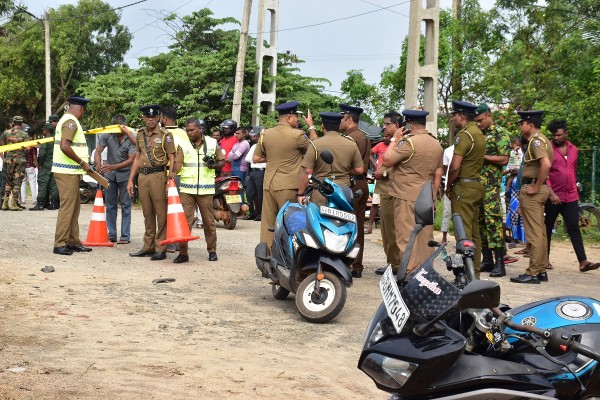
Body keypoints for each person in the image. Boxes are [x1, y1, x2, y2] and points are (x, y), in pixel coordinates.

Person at [382, 109, 443, 274]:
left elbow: (386, 160)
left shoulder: (408, 142)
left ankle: (410, 274)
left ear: (408, 124)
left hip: (406, 196)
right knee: (425, 239)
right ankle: (427, 273)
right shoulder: (435, 143)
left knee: (407, 238)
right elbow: (438, 173)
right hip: (426, 195)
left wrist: (395, 139)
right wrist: (433, 197)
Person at [253, 101, 310, 248]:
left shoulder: (265, 133)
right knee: (291, 222)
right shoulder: (298, 135)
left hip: (269, 184)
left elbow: (256, 158)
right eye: (296, 117)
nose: (297, 120)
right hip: (288, 185)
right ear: (289, 118)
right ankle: (289, 258)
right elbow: (315, 151)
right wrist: (311, 126)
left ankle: (267, 256)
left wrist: (273, 157)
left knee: (268, 223)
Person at [545, 119, 599, 273]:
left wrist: (574, 190)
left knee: (574, 227)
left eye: (559, 135)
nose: (556, 138)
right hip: (553, 196)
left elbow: (573, 171)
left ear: (566, 134)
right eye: (554, 135)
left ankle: (583, 262)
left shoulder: (574, 149)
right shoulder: (548, 149)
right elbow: (544, 172)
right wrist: (550, 192)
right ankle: (544, 260)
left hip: (570, 196)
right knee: (547, 227)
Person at [173, 118, 225, 263]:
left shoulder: (212, 143)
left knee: (209, 222)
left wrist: (213, 165)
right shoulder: (182, 144)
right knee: (185, 222)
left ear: (200, 129)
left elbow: (222, 161)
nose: (188, 132)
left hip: (206, 189)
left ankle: (212, 250)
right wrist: (170, 177)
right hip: (186, 189)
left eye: (191, 130)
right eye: (187, 130)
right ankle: (183, 253)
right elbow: (177, 164)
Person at [127, 105, 176, 261]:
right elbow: (137, 157)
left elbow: (172, 157)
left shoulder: (165, 135)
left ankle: (160, 247)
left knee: (161, 213)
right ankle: (148, 247)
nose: (150, 119)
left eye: (153, 117)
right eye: (148, 117)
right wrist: (130, 180)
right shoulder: (140, 134)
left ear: (159, 118)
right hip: (143, 176)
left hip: (158, 176)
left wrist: (170, 179)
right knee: (147, 213)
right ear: (143, 118)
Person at [510, 110, 553, 284]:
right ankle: (541, 270)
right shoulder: (543, 139)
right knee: (540, 233)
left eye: (522, 123)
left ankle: (533, 272)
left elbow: (546, 164)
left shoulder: (536, 141)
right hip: (539, 187)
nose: (520, 127)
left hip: (533, 189)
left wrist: (535, 186)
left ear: (530, 124)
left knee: (534, 234)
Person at [445, 100, 485, 277]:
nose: (453, 119)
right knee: (474, 233)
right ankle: (474, 271)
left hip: (464, 187)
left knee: (463, 233)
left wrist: (448, 185)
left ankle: (467, 276)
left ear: (461, 116)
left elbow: (454, 166)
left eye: (454, 115)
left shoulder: (464, 135)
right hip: (476, 184)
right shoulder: (479, 133)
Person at [50, 96, 94, 255]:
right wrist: (82, 163)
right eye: (84, 110)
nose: (83, 113)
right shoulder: (71, 122)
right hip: (66, 171)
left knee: (74, 207)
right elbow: (64, 146)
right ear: (81, 108)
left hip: (71, 171)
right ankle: (60, 243)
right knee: (68, 208)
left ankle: (73, 241)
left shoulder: (67, 120)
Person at [473, 103, 511, 277]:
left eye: (481, 120)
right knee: (480, 223)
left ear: (489, 115)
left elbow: (504, 159)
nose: (479, 123)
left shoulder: (500, 133)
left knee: (493, 223)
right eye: (477, 121)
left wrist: (483, 157)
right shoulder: (478, 134)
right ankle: (487, 260)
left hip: (491, 187)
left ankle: (500, 263)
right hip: (477, 186)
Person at [297, 112, 364, 206]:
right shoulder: (351, 144)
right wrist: (344, 168)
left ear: (323, 125)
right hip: (343, 194)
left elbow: (307, 171)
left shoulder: (315, 144)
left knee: (319, 220)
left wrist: (301, 193)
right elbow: (360, 170)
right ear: (339, 125)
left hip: (321, 193)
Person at [339, 104, 371, 278]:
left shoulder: (351, 138)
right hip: (361, 184)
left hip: (352, 184)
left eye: (341, 118)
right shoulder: (362, 136)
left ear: (349, 119)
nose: (339, 122)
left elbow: (346, 164)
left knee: (346, 224)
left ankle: (348, 263)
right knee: (357, 225)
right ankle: (356, 264)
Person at [94, 114, 137, 244]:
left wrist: (113, 166)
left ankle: (125, 235)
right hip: (110, 175)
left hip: (125, 175)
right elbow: (98, 151)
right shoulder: (107, 135)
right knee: (110, 204)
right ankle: (111, 234)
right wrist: (97, 163)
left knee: (125, 205)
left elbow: (131, 160)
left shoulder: (131, 137)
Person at [373, 112, 403, 275]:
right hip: (385, 190)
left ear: (397, 125)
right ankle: (392, 263)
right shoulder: (393, 143)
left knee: (392, 232)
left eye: (387, 124)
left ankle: (396, 265)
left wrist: (383, 174)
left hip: (393, 191)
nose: (384, 127)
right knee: (386, 232)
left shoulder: (401, 143)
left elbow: (402, 168)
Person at [1, 116, 29, 211]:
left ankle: (5, 203)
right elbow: (28, 148)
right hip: (20, 160)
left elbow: (2, 146)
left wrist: (4, 158)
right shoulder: (24, 134)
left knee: (9, 180)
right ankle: (13, 203)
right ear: (21, 123)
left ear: (13, 122)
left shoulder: (6, 133)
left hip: (9, 160)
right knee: (17, 181)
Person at [366, 128, 389, 235]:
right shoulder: (380, 145)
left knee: (387, 205)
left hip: (389, 177)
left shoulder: (396, 146)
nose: (385, 138)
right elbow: (369, 153)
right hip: (379, 177)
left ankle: (385, 228)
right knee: (375, 203)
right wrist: (375, 164)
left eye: (387, 136)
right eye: (384, 136)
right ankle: (370, 226)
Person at [30, 123, 59, 211]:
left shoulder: (45, 140)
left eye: (43, 130)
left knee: (42, 183)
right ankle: (54, 204)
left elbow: (42, 153)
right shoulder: (55, 139)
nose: (42, 131)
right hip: (54, 164)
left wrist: (39, 163)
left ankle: (40, 204)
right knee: (53, 184)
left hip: (45, 165)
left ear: (46, 131)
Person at [244, 126, 265, 221]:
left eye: (257, 136)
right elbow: (247, 158)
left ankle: (260, 214)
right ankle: (252, 212)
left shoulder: (267, 146)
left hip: (262, 172)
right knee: (249, 193)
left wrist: (256, 160)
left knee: (260, 194)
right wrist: (257, 160)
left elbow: (269, 161)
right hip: (253, 172)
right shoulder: (255, 146)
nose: (255, 138)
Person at [440, 143, 455, 244]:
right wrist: (448, 184)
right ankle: (444, 237)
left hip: (461, 187)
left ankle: (460, 238)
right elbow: (445, 168)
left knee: (460, 215)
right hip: (449, 186)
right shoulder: (448, 150)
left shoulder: (468, 148)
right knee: (446, 212)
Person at [20, 128, 38, 207]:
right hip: (30, 166)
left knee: (23, 183)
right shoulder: (33, 144)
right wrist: (37, 165)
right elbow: (34, 157)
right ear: (34, 135)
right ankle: (34, 200)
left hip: (22, 165)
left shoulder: (23, 143)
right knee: (32, 183)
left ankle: (23, 200)